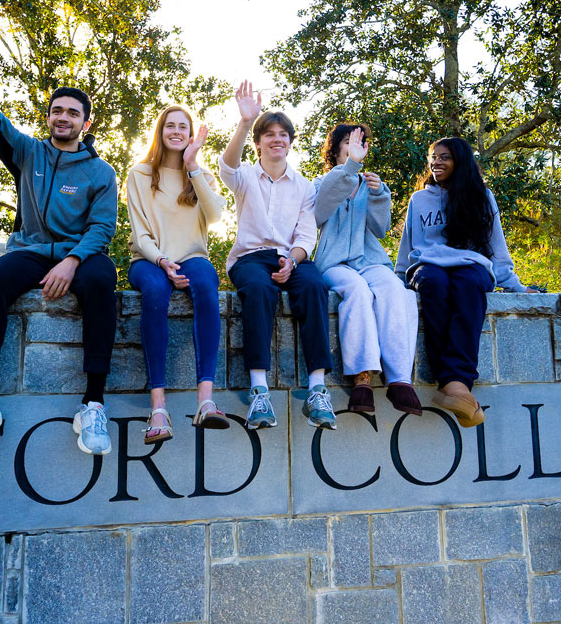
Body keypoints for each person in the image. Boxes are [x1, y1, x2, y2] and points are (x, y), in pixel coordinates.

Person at [0, 2, 119, 457]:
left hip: (80, 253)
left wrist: (73, 260)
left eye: (73, 113)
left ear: (85, 123)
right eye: (57, 111)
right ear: (48, 116)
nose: (63, 118)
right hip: (31, 250)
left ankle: (93, 403)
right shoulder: (27, 153)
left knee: (102, 281)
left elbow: (103, 228)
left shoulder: (100, 171)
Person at [395, 136, 538, 427]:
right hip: (428, 265)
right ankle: (452, 384)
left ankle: (456, 381)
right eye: (433, 157)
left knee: (469, 284)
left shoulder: (481, 196)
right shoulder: (419, 199)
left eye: (444, 157)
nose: (436, 162)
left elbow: (496, 247)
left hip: (471, 264)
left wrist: (515, 285)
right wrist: (398, 282)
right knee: (434, 283)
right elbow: (407, 246)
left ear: (460, 161)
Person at [219, 81, 335, 430]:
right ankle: (259, 390)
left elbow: (305, 233)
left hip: (292, 257)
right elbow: (226, 165)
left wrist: (294, 260)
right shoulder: (244, 177)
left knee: (315, 287)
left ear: (289, 142)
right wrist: (244, 122)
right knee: (259, 291)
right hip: (251, 258)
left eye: (283, 134)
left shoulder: (303, 186)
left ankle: (317, 390)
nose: (277, 139)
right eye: (269, 134)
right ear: (258, 143)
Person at [126, 105, 229, 444]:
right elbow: (140, 233)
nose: (176, 131)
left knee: (206, 282)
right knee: (155, 292)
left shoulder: (201, 175)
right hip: (150, 259)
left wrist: (193, 166)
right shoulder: (139, 174)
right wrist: (162, 261)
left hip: (193, 256)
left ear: (190, 134)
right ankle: (158, 406)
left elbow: (215, 215)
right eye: (170, 125)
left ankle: (206, 400)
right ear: (160, 130)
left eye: (183, 127)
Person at [313, 123, 422, 415]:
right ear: (336, 149)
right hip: (334, 264)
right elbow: (318, 213)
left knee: (394, 290)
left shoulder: (372, 184)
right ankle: (362, 378)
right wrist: (350, 169)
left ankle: (399, 379)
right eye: (348, 142)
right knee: (358, 292)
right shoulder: (319, 183)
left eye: (359, 142)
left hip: (370, 261)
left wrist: (378, 196)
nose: (355, 146)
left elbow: (381, 229)